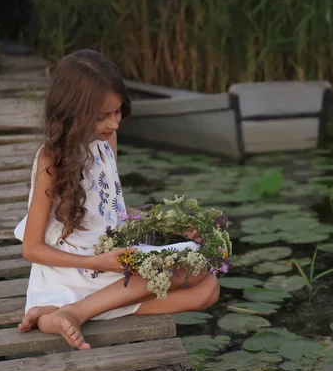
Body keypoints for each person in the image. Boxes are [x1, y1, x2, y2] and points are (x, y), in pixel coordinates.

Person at [14, 49, 220, 350]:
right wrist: (96, 261)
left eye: (118, 112)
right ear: (73, 111)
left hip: (113, 260)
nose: (114, 124)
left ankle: (64, 312)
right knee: (195, 271)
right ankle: (76, 309)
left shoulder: (104, 141)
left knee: (208, 289)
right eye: (102, 116)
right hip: (78, 266)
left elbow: (112, 210)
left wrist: (173, 224)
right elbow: (31, 249)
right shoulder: (51, 160)